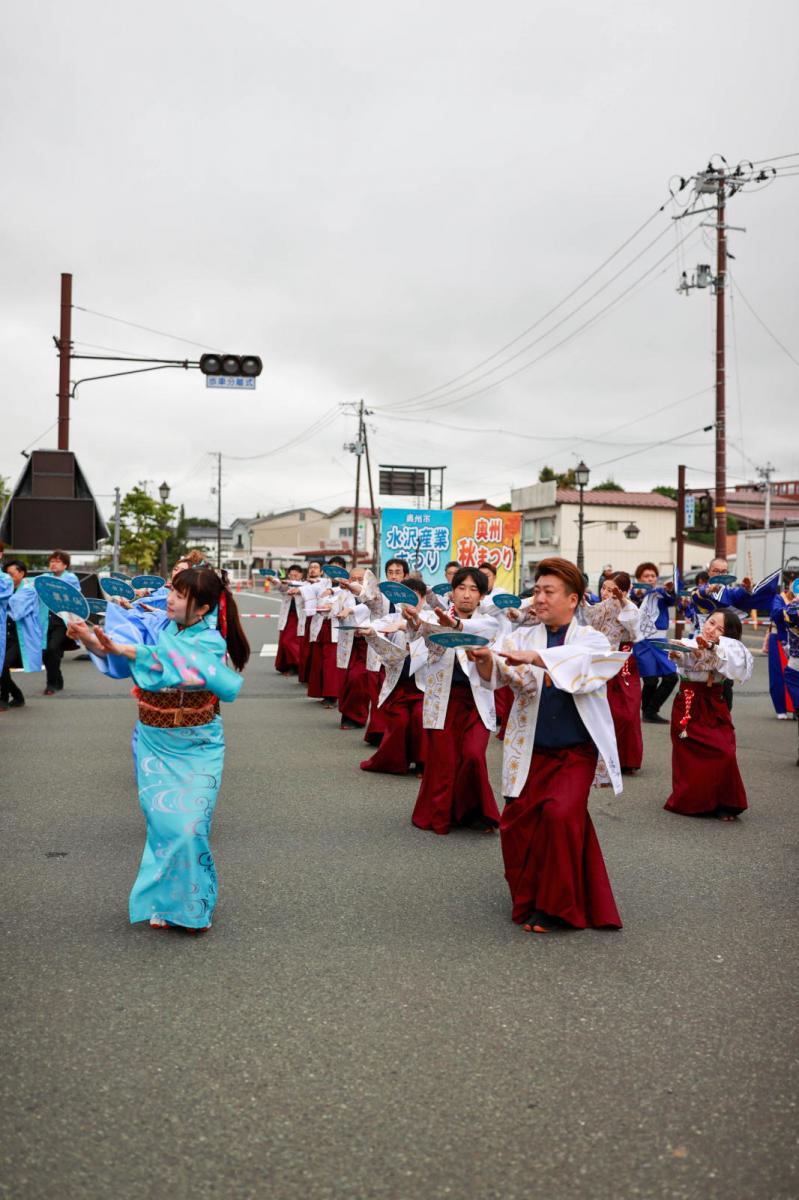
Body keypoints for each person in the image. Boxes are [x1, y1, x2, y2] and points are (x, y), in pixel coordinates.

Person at [66, 566, 249, 931]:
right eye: (172, 591)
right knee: (163, 825)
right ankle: (165, 901)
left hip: (197, 743)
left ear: (203, 608)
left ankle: (193, 906)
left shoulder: (210, 641)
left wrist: (127, 649)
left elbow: (170, 663)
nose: (170, 599)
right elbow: (122, 658)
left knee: (189, 827)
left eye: (181, 596)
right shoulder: (158, 625)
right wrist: (90, 638)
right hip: (154, 740)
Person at [468, 557, 625, 934]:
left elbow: (587, 668)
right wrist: (484, 659)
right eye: (537, 590)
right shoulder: (520, 637)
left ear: (572, 599)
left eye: (548, 591)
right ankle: (531, 898)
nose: (538, 598)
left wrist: (538, 658)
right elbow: (496, 676)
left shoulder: (591, 639)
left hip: (574, 752)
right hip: (529, 749)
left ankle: (558, 908)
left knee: (559, 817)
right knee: (517, 825)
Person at [406, 566, 501, 835]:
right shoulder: (433, 617)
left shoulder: (489, 622)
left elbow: (477, 631)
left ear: (482, 596)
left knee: (473, 755)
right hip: (443, 700)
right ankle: (440, 813)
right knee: (443, 760)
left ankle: (474, 812)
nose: (467, 595)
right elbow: (417, 632)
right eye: (461, 588)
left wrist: (456, 626)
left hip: (476, 701)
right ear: (452, 592)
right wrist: (413, 621)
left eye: (473, 589)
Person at [664, 610, 753, 820]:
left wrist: (712, 647)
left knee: (724, 752)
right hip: (687, 703)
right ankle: (694, 801)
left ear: (727, 634)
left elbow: (734, 663)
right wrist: (678, 655)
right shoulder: (689, 642)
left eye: (719, 628)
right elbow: (683, 658)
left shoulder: (731, 648)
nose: (711, 629)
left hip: (713, 703)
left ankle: (725, 802)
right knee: (688, 755)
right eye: (711, 623)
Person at [359, 577, 429, 774]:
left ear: (423, 599)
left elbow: (433, 631)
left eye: (415, 597)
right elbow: (375, 626)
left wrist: (404, 626)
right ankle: (394, 761)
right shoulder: (392, 618)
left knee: (420, 717)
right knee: (399, 720)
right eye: (406, 597)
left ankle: (423, 762)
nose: (410, 603)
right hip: (400, 684)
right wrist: (369, 632)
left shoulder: (432, 618)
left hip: (425, 685)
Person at [582, 572, 643, 774]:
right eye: (604, 588)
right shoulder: (600, 606)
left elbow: (634, 627)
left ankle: (626, 758)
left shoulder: (630, 607)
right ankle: (600, 756)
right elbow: (587, 616)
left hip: (622, 661)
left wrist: (622, 600)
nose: (606, 592)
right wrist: (580, 599)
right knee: (600, 709)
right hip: (601, 661)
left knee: (627, 712)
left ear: (624, 591)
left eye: (611, 589)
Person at [631, 562, 678, 723]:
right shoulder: (634, 594)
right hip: (642, 641)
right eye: (646, 576)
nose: (650, 578)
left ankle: (651, 709)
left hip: (659, 640)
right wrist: (638, 593)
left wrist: (669, 590)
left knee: (671, 677)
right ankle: (647, 713)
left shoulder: (660, 593)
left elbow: (672, 599)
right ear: (639, 578)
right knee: (650, 681)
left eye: (653, 576)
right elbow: (633, 597)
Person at [1, 560, 43, 709]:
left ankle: (3, 699)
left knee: (3, 665)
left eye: (11, 574)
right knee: (1, 666)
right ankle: (18, 696)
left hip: (21, 638)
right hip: (5, 635)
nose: (7, 577)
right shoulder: (7, 589)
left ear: (21, 573)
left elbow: (16, 610)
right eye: (5, 574)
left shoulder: (28, 590)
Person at [39, 550, 82, 695]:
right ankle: (58, 677)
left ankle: (51, 684)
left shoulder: (71, 578)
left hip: (62, 621)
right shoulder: (45, 577)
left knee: (53, 648)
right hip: (46, 620)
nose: (53, 564)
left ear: (65, 565)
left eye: (57, 561)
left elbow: (75, 596)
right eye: (52, 561)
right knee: (46, 652)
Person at [763, 575, 798, 719]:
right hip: (779, 639)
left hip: (795, 642)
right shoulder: (779, 598)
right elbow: (776, 614)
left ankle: (795, 708)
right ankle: (781, 708)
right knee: (778, 675)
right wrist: (793, 605)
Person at [274, 564, 306, 676]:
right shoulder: (287, 584)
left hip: (299, 617)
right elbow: (281, 588)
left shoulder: (306, 585)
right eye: (291, 575)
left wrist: (297, 591)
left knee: (290, 642)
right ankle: (289, 665)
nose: (293, 577)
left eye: (296, 575)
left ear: (301, 575)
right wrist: (274, 581)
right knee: (284, 641)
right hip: (288, 616)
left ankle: (297, 665)